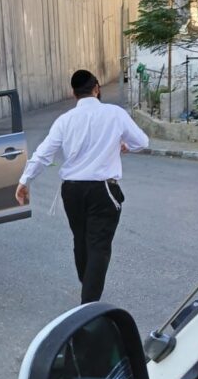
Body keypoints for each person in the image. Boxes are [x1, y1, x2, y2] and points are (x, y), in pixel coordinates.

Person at [15, 69, 148, 303]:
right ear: (96, 89)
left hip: (72, 190)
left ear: (73, 93)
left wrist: (25, 180)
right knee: (98, 246)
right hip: (102, 190)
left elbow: (44, 154)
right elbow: (142, 142)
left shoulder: (65, 120)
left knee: (81, 240)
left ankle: (87, 290)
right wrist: (126, 145)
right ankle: (88, 306)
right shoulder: (114, 114)